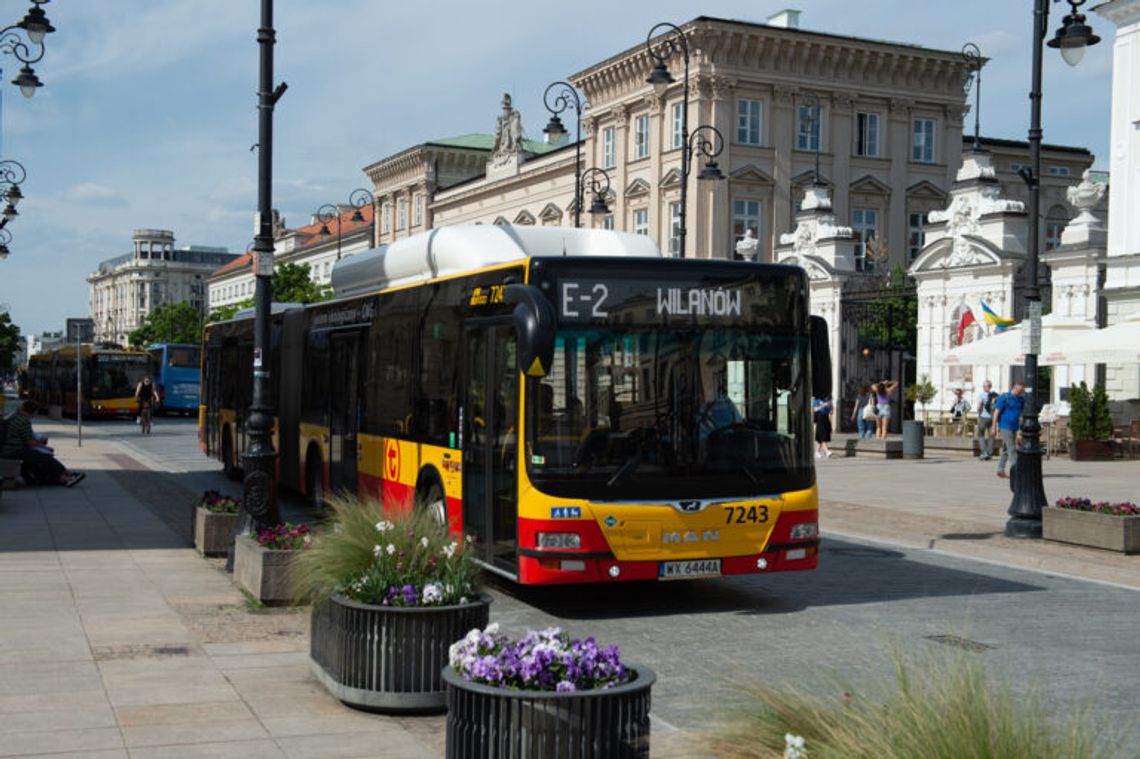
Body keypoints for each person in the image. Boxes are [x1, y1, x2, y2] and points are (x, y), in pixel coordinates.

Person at [0, 401, 85, 486]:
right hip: (12, 450)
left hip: (6, 448)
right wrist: (46, 447)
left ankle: (63, 477)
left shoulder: (14, 416)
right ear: (32, 411)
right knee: (45, 457)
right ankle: (67, 474)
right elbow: (30, 442)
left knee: (36, 457)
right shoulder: (23, 420)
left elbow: (24, 437)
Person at [991, 381, 1025, 479]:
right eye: (1019, 391)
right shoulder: (1004, 397)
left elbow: (1022, 412)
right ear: (1014, 388)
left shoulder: (1021, 399)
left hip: (1014, 426)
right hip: (1005, 426)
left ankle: (1000, 470)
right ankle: (1016, 471)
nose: (1020, 393)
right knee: (1012, 449)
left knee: (1006, 450)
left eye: (1022, 391)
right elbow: (996, 413)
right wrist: (994, 427)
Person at [975, 380, 998, 461]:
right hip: (993, 418)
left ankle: (984, 453)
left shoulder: (981, 395)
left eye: (984, 386)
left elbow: (979, 407)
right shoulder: (995, 395)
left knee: (981, 435)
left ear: (984, 387)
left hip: (983, 417)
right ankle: (990, 453)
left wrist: (979, 415)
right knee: (992, 435)